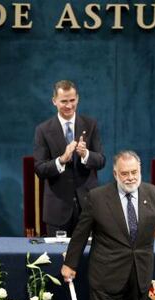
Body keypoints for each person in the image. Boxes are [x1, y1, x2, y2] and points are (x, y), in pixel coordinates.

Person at [61, 150, 155, 300]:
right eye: (125, 173)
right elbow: (80, 234)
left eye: (134, 172)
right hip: (106, 277)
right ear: (115, 174)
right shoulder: (97, 197)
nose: (131, 177)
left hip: (140, 276)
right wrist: (70, 264)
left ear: (140, 170)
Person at [33, 80, 106, 237]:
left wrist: (86, 154)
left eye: (72, 100)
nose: (69, 105)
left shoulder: (90, 125)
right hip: (57, 210)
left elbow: (101, 160)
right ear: (54, 101)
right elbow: (39, 169)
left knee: (89, 259)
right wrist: (61, 160)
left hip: (87, 207)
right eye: (64, 101)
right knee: (58, 259)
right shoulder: (43, 130)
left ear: (77, 99)